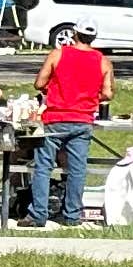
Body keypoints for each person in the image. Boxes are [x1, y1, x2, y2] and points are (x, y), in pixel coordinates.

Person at [29, 22, 110, 229]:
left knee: (43, 167)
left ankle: (38, 214)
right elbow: (108, 94)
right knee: (77, 170)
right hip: (83, 120)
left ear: (75, 34)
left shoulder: (58, 54)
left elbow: (39, 83)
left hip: (55, 118)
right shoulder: (103, 61)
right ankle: (72, 215)